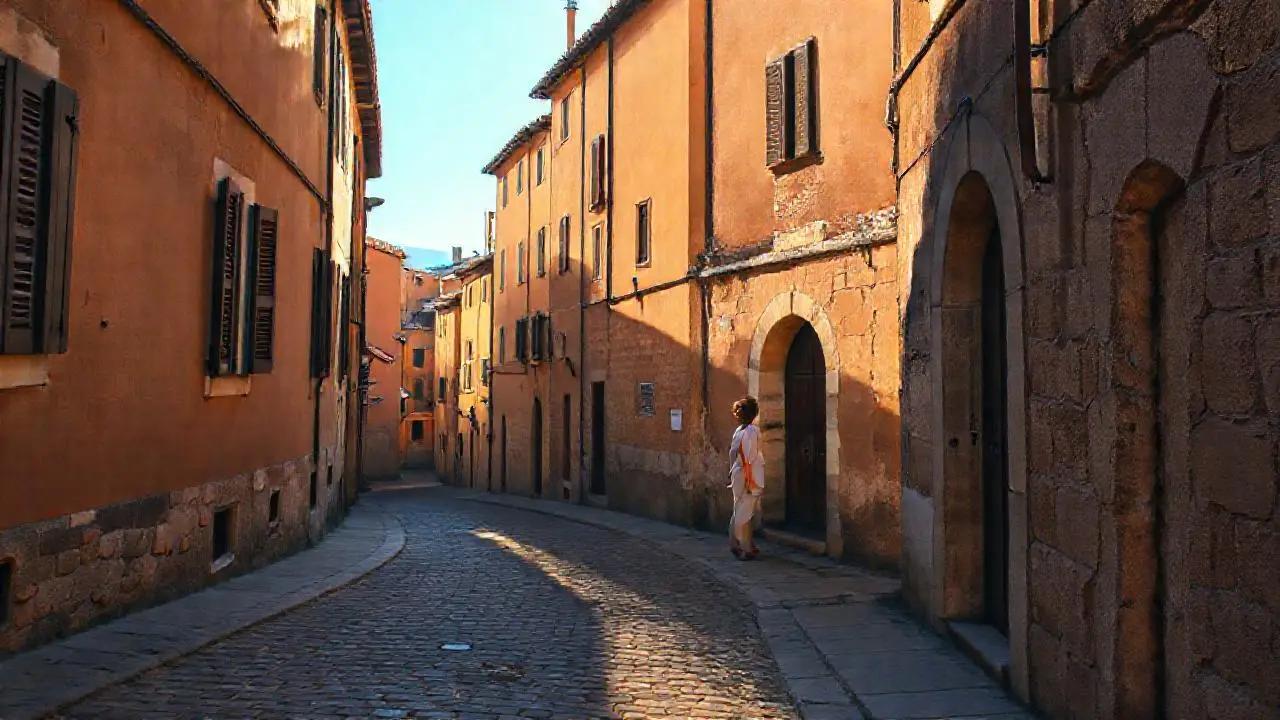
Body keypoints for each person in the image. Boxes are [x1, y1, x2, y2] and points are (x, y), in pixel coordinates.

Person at [728, 396, 764, 560]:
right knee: (745, 510)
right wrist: (751, 481)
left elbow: (732, 453)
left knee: (739, 508)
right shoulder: (752, 431)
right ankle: (744, 548)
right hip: (747, 473)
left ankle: (736, 543)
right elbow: (749, 458)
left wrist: (731, 471)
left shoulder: (739, 431)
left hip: (737, 471)